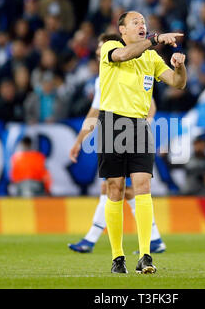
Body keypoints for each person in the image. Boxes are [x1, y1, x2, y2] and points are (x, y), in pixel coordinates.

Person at [97, 11, 186, 274]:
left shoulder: (151, 57)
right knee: (114, 188)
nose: (141, 25)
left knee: (143, 186)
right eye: (135, 22)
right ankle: (117, 257)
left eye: (144, 23)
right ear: (122, 30)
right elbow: (124, 55)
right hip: (112, 122)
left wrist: (180, 67)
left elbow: (177, 84)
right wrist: (156, 37)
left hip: (138, 124)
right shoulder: (111, 47)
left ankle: (145, 255)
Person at [68, 33, 166, 254]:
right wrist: (79, 140)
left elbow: (151, 106)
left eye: (101, 48)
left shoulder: (131, 69)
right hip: (113, 132)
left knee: (122, 188)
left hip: (134, 135)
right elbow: (95, 112)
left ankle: (92, 239)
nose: (97, 53)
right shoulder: (103, 77)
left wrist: (141, 126)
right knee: (117, 188)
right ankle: (154, 239)